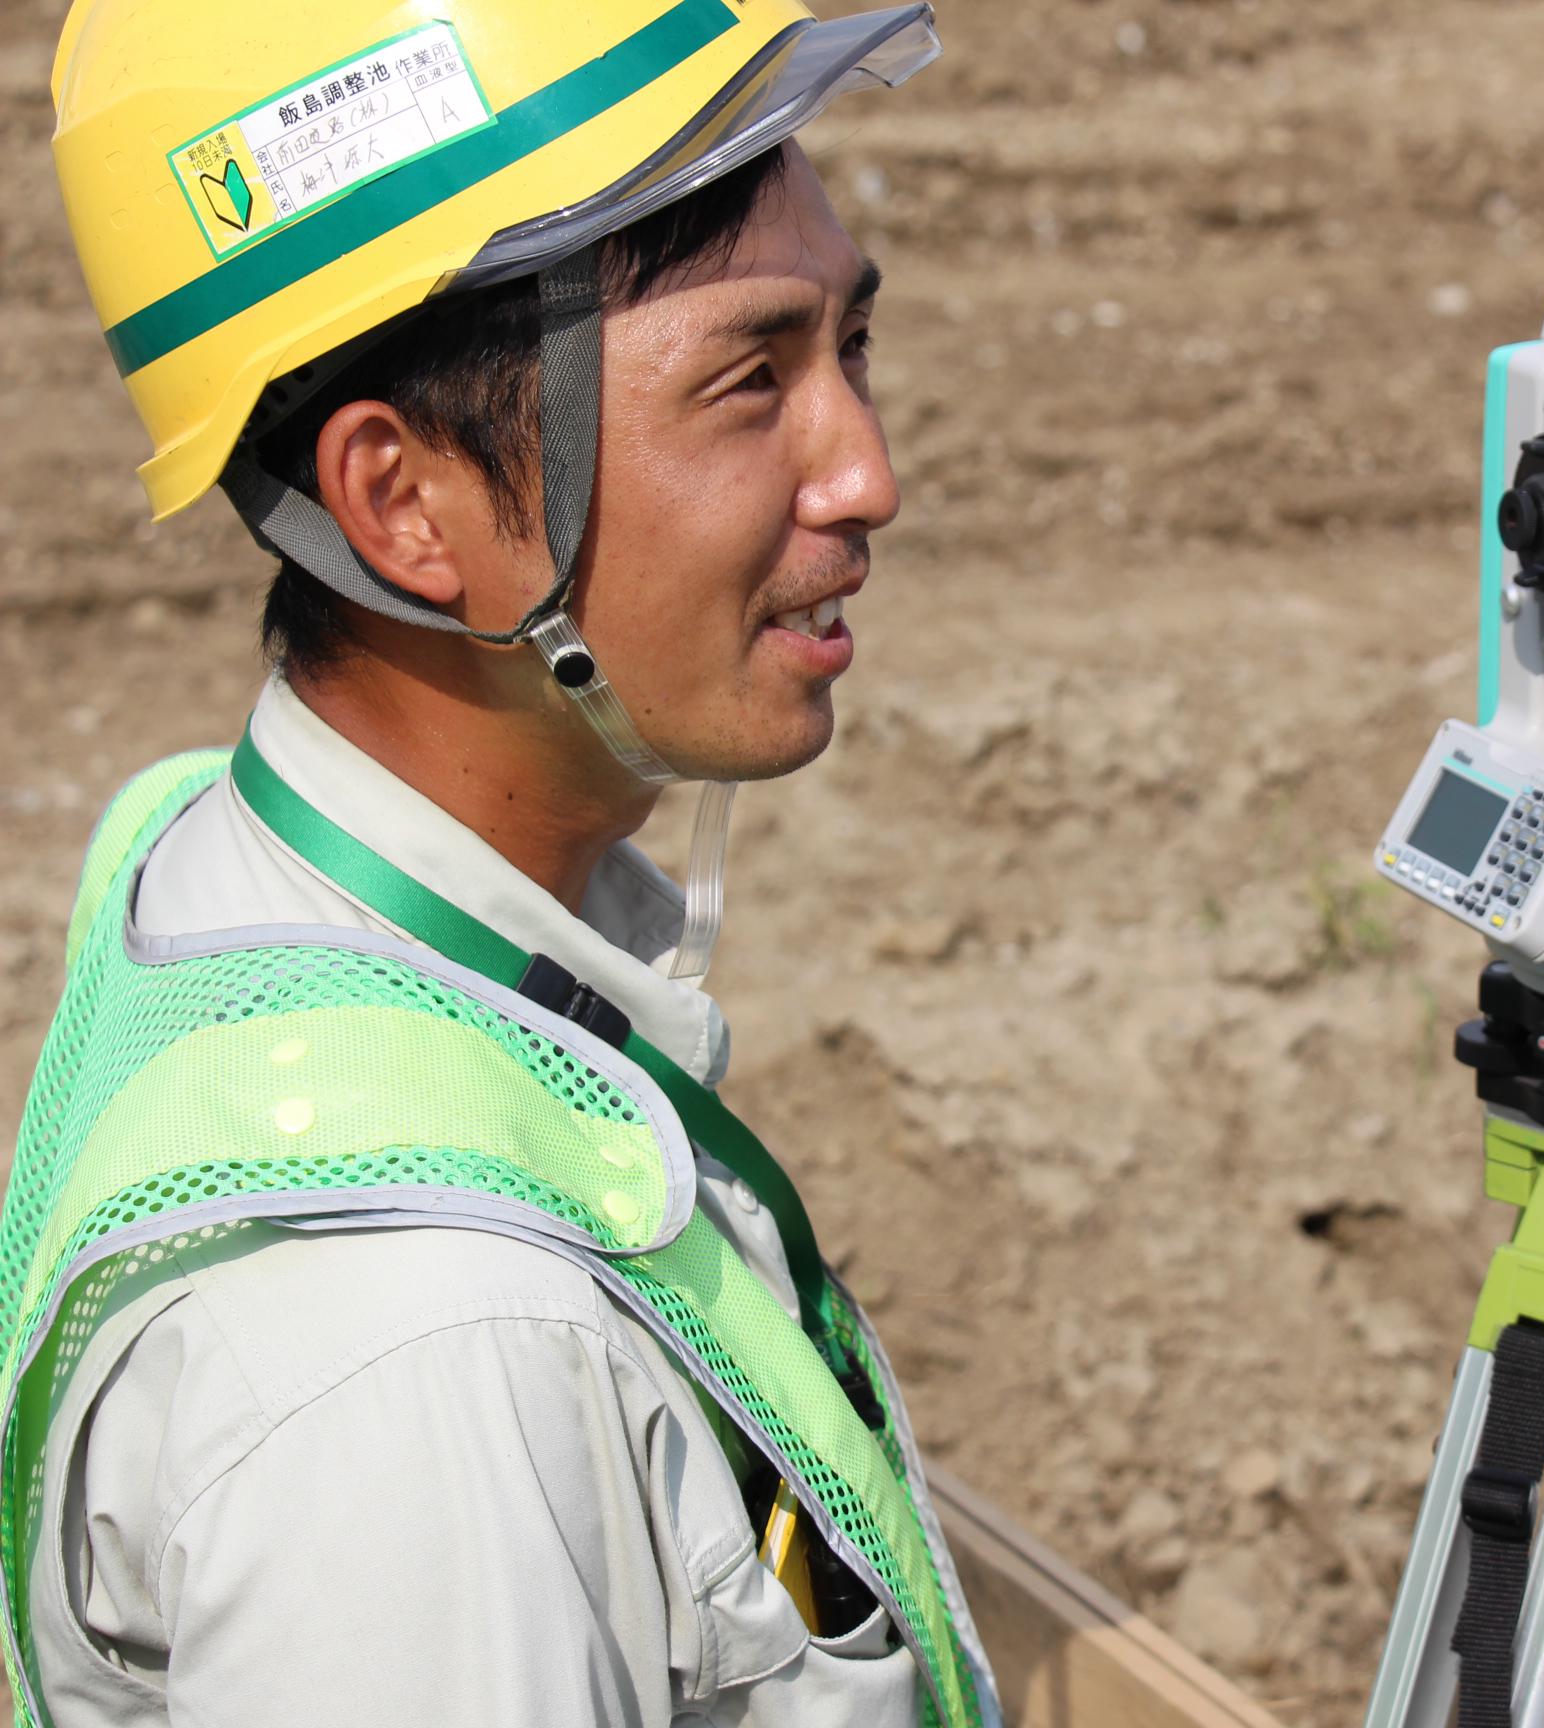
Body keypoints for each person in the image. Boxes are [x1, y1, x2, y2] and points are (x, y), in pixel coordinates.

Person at [5, 4, 996, 1724]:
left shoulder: (221, 863)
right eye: (752, 379)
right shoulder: (420, 1366)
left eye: (855, 346)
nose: (867, 473)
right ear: (403, 505)